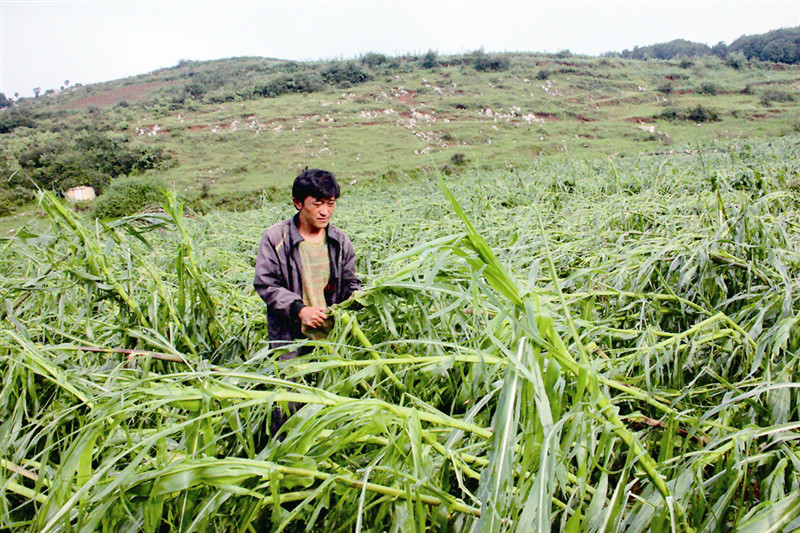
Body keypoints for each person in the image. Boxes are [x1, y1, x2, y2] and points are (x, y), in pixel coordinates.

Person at [253, 168, 361, 358]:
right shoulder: (277, 238)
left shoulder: (340, 241)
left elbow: (349, 281)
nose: (325, 212)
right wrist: (300, 310)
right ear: (298, 203)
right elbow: (267, 284)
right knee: (291, 386)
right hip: (290, 340)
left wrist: (357, 296)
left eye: (330, 204)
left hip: (332, 339)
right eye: (317, 204)